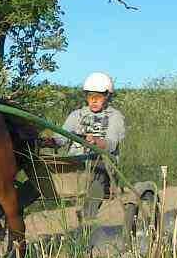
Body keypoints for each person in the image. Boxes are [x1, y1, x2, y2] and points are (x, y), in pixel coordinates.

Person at [18, 72, 125, 220]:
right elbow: (61, 139)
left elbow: (111, 144)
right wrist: (49, 141)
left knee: (99, 170)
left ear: (107, 96)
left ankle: (87, 216)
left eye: (98, 97)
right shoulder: (77, 115)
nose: (94, 101)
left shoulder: (115, 116)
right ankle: (12, 206)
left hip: (101, 164)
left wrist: (96, 141)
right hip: (75, 164)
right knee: (43, 171)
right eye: (90, 96)